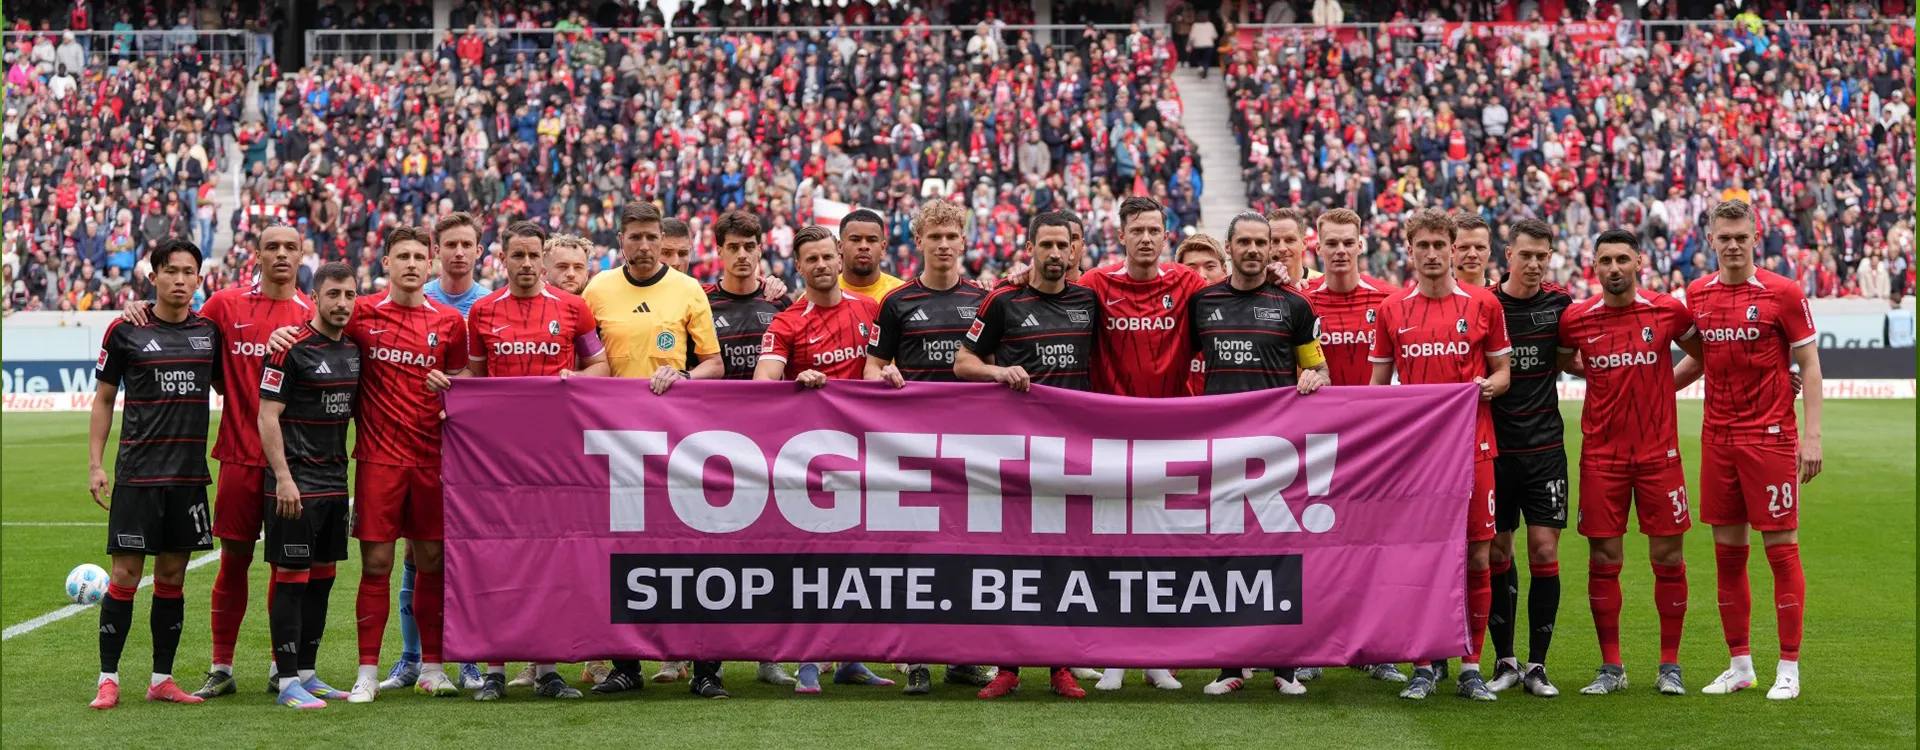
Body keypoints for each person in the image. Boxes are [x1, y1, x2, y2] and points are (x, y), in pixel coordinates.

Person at [266, 226, 470, 701]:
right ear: (387, 264)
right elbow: (319, 321)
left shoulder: (449, 323)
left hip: (432, 462)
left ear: (432, 261)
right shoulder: (362, 314)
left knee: (433, 563)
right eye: (403, 256)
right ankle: (367, 672)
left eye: (421, 256)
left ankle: (433, 667)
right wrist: (285, 331)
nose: (413, 264)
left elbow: (464, 383)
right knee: (376, 565)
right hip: (377, 460)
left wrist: (449, 389)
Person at [122, 223, 314, 699]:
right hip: (237, 456)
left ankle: (279, 666)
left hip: (294, 466)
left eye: (291, 247)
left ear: (302, 253)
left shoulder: (313, 313)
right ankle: (222, 666)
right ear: (258, 254)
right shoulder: (225, 306)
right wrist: (140, 308)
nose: (282, 255)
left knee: (285, 569)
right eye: (273, 247)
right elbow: (181, 328)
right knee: (233, 560)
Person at [434, 221, 604, 700]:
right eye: (518, 256)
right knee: (497, 560)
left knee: (550, 560)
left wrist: (578, 378)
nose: (526, 264)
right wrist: (449, 386)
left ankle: (547, 669)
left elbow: (600, 364)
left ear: (543, 258)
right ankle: (493, 669)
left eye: (534, 256)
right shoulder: (483, 312)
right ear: (502, 260)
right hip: (496, 460)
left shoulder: (574, 309)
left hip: (557, 458)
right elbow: (476, 376)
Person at [1368, 208, 1513, 702]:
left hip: (1474, 447)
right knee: (1423, 558)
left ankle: (1471, 665)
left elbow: (1501, 374)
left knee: (1477, 555)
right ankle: (1425, 664)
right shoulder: (1391, 310)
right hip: (1418, 459)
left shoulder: (1484, 304)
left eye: (1439, 245)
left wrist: (1485, 388)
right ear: (1409, 251)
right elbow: (1377, 389)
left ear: (1454, 249)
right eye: (1422, 246)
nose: (1431, 254)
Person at [1682, 200, 1823, 701]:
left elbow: (1808, 364)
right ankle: (1740, 664)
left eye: (1741, 235)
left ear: (1755, 236)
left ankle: (1789, 667)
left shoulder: (1783, 292)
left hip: (1770, 439)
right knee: (1727, 557)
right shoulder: (1696, 293)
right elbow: (1699, 360)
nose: (1734, 244)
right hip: (1717, 438)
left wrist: (1812, 436)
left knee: (1781, 553)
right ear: (1712, 239)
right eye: (1725, 236)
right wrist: (1648, 387)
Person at [954, 212, 1097, 701]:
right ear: (1030, 246)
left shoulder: (1089, 300)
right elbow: (963, 361)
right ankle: (1008, 666)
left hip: (1074, 453)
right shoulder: (1002, 301)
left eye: (1064, 245)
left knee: (1064, 561)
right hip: (1014, 452)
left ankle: (1062, 666)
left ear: (1075, 249)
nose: (1056, 254)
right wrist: (998, 373)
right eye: (1047, 245)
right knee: (1012, 560)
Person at [581, 203, 722, 693]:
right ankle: (626, 667)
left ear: (663, 240)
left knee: (691, 551)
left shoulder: (687, 289)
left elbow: (713, 364)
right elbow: (585, 358)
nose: (643, 246)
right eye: (634, 237)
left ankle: (705, 669)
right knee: (621, 554)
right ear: (620, 238)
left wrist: (683, 375)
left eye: (651, 238)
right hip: (615, 440)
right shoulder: (597, 289)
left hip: (677, 439)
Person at [1556, 229, 1704, 697]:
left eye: (1623, 258)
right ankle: (1611, 666)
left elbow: (1701, 358)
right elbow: (1569, 362)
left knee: (1668, 557)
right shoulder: (1576, 319)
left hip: (1660, 457)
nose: (1614, 268)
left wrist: (1664, 385)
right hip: (1602, 458)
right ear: (1593, 266)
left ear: (1640, 261)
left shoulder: (1668, 310)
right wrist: (1604, 371)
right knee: (1604, 559)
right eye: (1606, 261)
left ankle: (1670, 665)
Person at [1191, 212, 1329, 698]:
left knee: (1280, 557)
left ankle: (1284, 665)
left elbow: (1318, 367)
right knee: (1227, 555)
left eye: (1260, 243)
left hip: (1278, 451)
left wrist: (1314, 376)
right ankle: (1230, 665)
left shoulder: (1292, 304)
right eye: (1243, 242)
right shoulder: (1201, 302)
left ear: (1272, 248)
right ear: (1229, 247)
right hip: (1221, 451)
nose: (1252, 249)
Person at [862, 198, 996, 695]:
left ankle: (964, 658)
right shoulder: (897, 302)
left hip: (971, 447)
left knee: (969, 552)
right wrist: (885, 376)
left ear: (963, 240)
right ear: (917, 242)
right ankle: (916, 656)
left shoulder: (984, 299)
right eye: (933, 236)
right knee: (914, 554)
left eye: (951, 236)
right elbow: (871, 368)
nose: (943, 244)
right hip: (913, 449)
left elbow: (993, 362)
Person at [752, 226, 894, 694]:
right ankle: (810, 662)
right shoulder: (787, 323)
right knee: (815, 563)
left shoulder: (870, 310)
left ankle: (851, 658)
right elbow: (762, 383)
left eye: (827, 256)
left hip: (864, 455)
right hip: (809, 461)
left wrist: (891, 374)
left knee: (860, 558)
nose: (821, 265)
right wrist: (797, 380)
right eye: (810, 259)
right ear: (799, 267)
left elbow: (883, 367)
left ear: (839, 259)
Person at [86, 238, 220, 709]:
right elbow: (103, 399)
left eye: (189, 272)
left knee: (172, 577)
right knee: (123, 575)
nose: (180, 280)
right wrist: (96, 465)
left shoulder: (209, 333)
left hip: (188, 479)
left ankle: (161, 679)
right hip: (138, 476)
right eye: (171, 271)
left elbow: (238, 386)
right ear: (154, 276)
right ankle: (108, 678)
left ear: (199, 279)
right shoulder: (124, 331)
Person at [1078, 195, 1205, 692]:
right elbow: (1048, 296)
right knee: (1114, 547)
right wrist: (1019, 276)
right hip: (1109, 438)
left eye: (1155, 229)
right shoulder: (1096, 284)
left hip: (1170, 439)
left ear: (1166, 235)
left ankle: (1154, 655)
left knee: (1161, 548)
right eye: (1138, 230)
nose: (1147, 238)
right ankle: (1114, 655)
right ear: (1122, 235)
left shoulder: (1188, 284)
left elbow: (1240, 295)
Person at [690, 210, 802, 689]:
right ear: (719, 251)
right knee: (711, 557)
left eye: (749, 246)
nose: (741, 255)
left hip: (773, 447)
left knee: (772, 554)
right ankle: (708, 665)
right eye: (732, 247)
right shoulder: (700, 303)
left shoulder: (783, 303)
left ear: (761, 249)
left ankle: (768, 655)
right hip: (712, 449)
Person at [383, 211, 488, 693]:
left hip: (476, 445)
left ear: (479, 251)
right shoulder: (416, 299)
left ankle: (465, 656)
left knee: (462, 550)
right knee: (415, 548)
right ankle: (411, 657)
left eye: (467, 244)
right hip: (417, 439)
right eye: (450, 245)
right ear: (435, 253)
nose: (459, 253)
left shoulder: (488, 303)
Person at [1305, 210, 1409, 685]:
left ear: (1361, 244)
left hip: (1374, 450)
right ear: (1318, 249)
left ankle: (1379, 647)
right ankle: (1313, 645)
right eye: (1332, 243)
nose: (1340, 250)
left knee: (1374, 549)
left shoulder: (1388, 299)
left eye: (1348, 242)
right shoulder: (1301, 302)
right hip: (1316, 446)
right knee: (1318, 548)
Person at [257, 261, 363, 709]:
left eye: (349, 296)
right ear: (314, 297)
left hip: (335, 484)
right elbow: (267, 415)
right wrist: (282, 477)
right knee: (292, 580)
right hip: (295, 485)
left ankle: (306, 672)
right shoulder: (288, 348)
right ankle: (285, 684)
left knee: (323, 579)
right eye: (333, 294)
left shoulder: (355, 351)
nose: (342, 303)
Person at [1485, 218, 1574, 697]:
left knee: (1544, 550)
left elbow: (1581, 357)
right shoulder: (1485, 303)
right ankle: (1505, 659)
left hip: (1545, 451)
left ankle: (1538, 666)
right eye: (1527, 255)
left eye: (1543, 255)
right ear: (1509, 257)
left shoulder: (1560, 305)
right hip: (1495, 451)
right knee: (1499, 550)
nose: (1535, 264)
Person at [1177, 232, 1228, 395]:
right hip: (1181, 414)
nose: (1201, 275)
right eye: (1191, 268)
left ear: (1224, 271)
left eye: (1210, 266)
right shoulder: (1167, 318)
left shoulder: (1246, 314)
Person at [837, 209, 906, 301]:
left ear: (883, 248)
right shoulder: (824, 293)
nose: (864, 246)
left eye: (872, 240)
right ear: (840, 246)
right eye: (855, 239)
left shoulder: (902, 294)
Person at [1267, 208, 1321, 289]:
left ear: (1304, 243)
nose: (1282, 248)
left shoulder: (1322, 285)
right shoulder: (1255, 288)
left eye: (1290, 240)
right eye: (1275, 241)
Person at [1452, 214, 1495, 289]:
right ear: (1450, 251)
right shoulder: (1434, 295)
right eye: (1463, 247)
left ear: (1489, 252)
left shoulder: (1502, 297)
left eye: (1480, 247)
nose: (1472, 254)